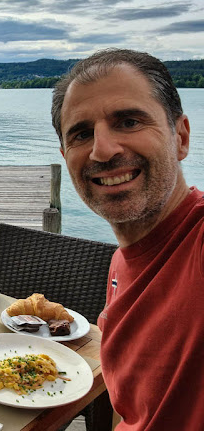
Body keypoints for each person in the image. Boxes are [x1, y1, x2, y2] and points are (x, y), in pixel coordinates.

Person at [51, 48, 204, 430]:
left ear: (180, 137)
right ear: (65, 155)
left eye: (130, 121)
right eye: (82, 134)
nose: (102, 150)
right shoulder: (123, 262)